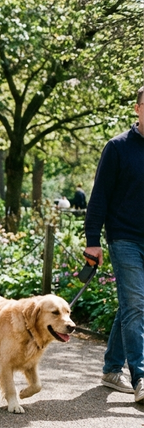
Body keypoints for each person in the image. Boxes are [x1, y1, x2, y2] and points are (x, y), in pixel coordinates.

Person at [85, 85, 144, 403]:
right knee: (136, 305)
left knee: (130, 307)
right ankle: (141, 376)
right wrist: (92, 241)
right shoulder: (118, 147)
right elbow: (100, 198)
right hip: (125, 238)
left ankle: (111, 369)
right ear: (137, 108)